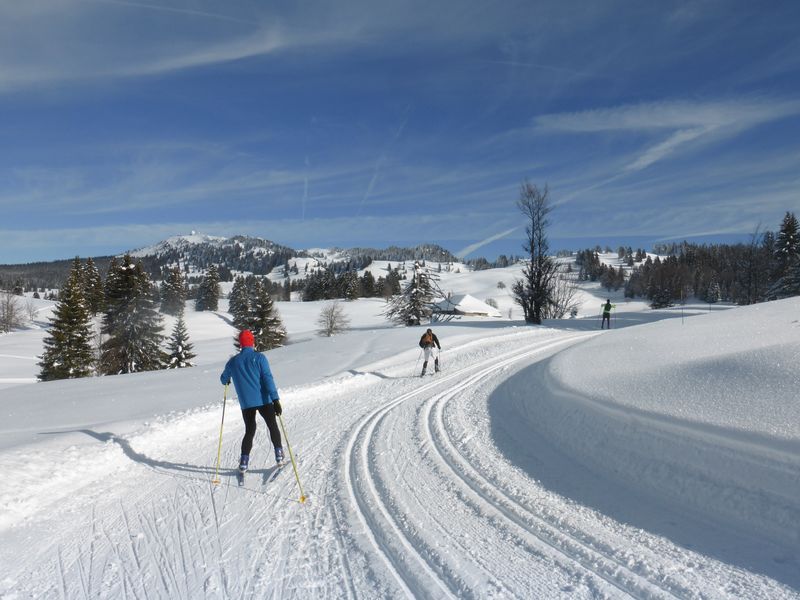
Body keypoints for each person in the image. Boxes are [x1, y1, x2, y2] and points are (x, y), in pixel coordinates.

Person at [220, 330, 284, 472]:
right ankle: (279, 454)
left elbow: (223, 379)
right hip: (264, 400)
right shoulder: (260, 358)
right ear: (252, 342)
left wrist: (227, 379)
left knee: (250, 430)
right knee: (272, 426)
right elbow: (268, 378)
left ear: (241, 344)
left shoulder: (233, 362)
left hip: (246, 403)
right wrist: (275, 399)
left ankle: (244, 462)